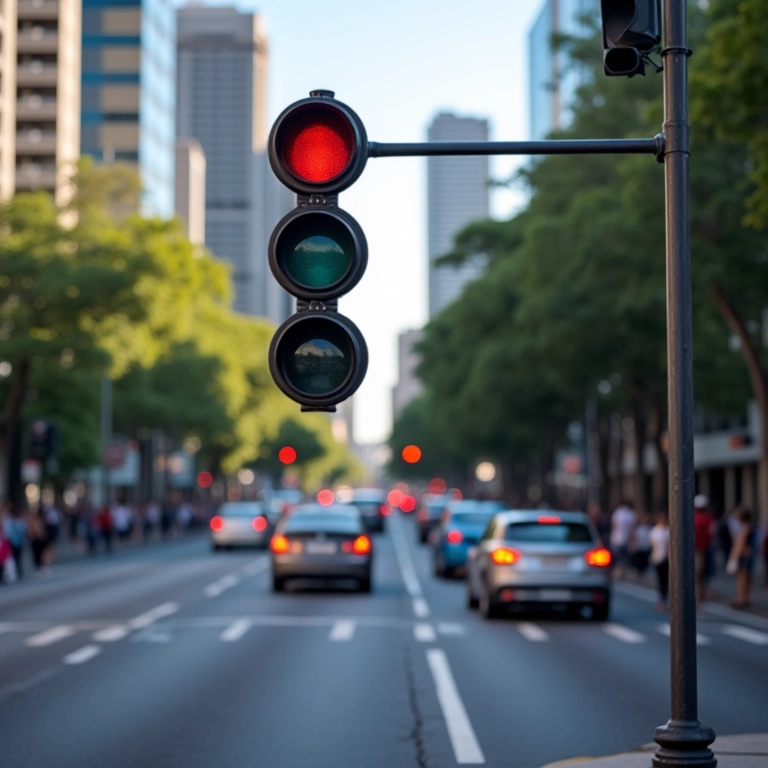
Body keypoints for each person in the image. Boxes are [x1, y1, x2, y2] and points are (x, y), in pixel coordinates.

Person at [727, 506, 757, 609]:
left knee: (742, 578)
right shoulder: (750, 526)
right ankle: (746, 598)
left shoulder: (744, 528)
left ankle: (741, 599)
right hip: (749, 555)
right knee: (747, 577)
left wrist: (733, 557)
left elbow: (739, 544)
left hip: (743, 556)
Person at [693, 494, 717, 602]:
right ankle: (701, 590)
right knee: (704, 571)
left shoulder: (691, 516)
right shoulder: (709, 518)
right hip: (704, 547)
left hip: (694, 548)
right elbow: (713, 532)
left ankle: (699, 590)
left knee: (697, 571)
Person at [610, 499, 637, 580]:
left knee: (618, 557)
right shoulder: (631, 514)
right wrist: (633, 541)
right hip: (625, 539)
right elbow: (632, 529)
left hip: (616, 539)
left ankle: (618, 573)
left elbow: (614, 525)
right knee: (624, 557)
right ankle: (621, 573)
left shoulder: (617, 512)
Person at [649, 511, 670, 611]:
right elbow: (651, 544)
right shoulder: (655, 531)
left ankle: (666, 599)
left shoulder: (669, 530)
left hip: (668, 559)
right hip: (658, 558)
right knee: (661, 581)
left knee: (668, 580)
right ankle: (662, 599)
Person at [631, 511, 653, 580]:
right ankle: (638, 572)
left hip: (645, 547)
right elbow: (634, 537)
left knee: (644, 561)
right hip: (639, 546)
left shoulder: (649, 528)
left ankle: (642, 572)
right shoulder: (638, 528)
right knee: (638, 561)